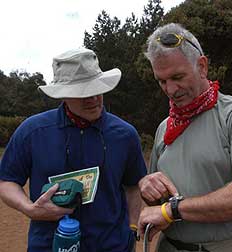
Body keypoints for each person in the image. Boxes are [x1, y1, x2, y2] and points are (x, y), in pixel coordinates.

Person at [137, 23, 232, 252]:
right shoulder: (165, 127)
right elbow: (158, 201)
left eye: (178, 77)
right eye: (162, 81)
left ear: (202, 66)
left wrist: (172, 210)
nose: (170, 90)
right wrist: (148, 187)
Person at [0, 48, 147, 252]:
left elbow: (133, 185)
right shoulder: (32, 131)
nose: (93, 98)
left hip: (112, 246)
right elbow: (6, 181)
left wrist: (131, 228)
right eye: (82, 93)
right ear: (64, 95)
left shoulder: (125, 134)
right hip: (48, 246)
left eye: (97, 89)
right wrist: (30, 209)